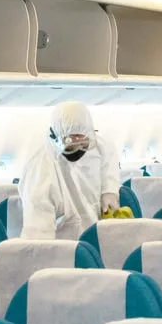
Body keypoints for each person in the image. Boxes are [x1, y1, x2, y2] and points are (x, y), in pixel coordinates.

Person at [20, 102, 121, 240]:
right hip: (60, 247)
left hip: (95, 238)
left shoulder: (99, 147)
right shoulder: (41, 171)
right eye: (71, 141)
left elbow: (109, 162)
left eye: (82, 140)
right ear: (56, 138)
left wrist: (109, 191)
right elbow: (39, 236)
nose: (78, 146)